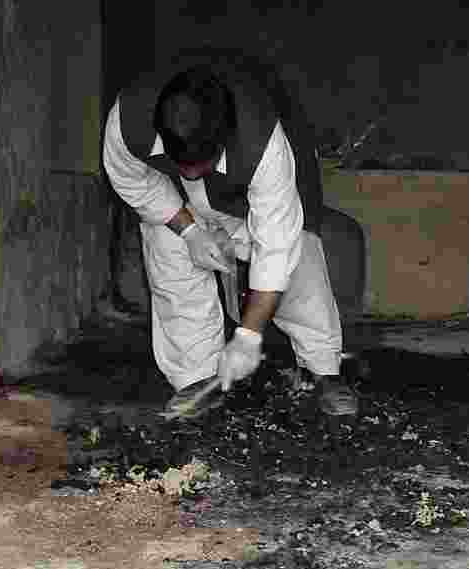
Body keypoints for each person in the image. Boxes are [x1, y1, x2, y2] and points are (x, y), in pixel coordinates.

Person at [103, 48, 358, 419]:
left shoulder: (263, 143)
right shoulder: (127, 119)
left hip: (247, 196)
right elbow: (132, 181)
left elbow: (275, 248)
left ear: (223, 138)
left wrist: (249, 337)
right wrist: (189, 230)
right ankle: (196, 378)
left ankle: (324, 368)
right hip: (171, 196)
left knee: (296, 256)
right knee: (166, 248)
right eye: (182, 161)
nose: (191, 172)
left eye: (198, 162)